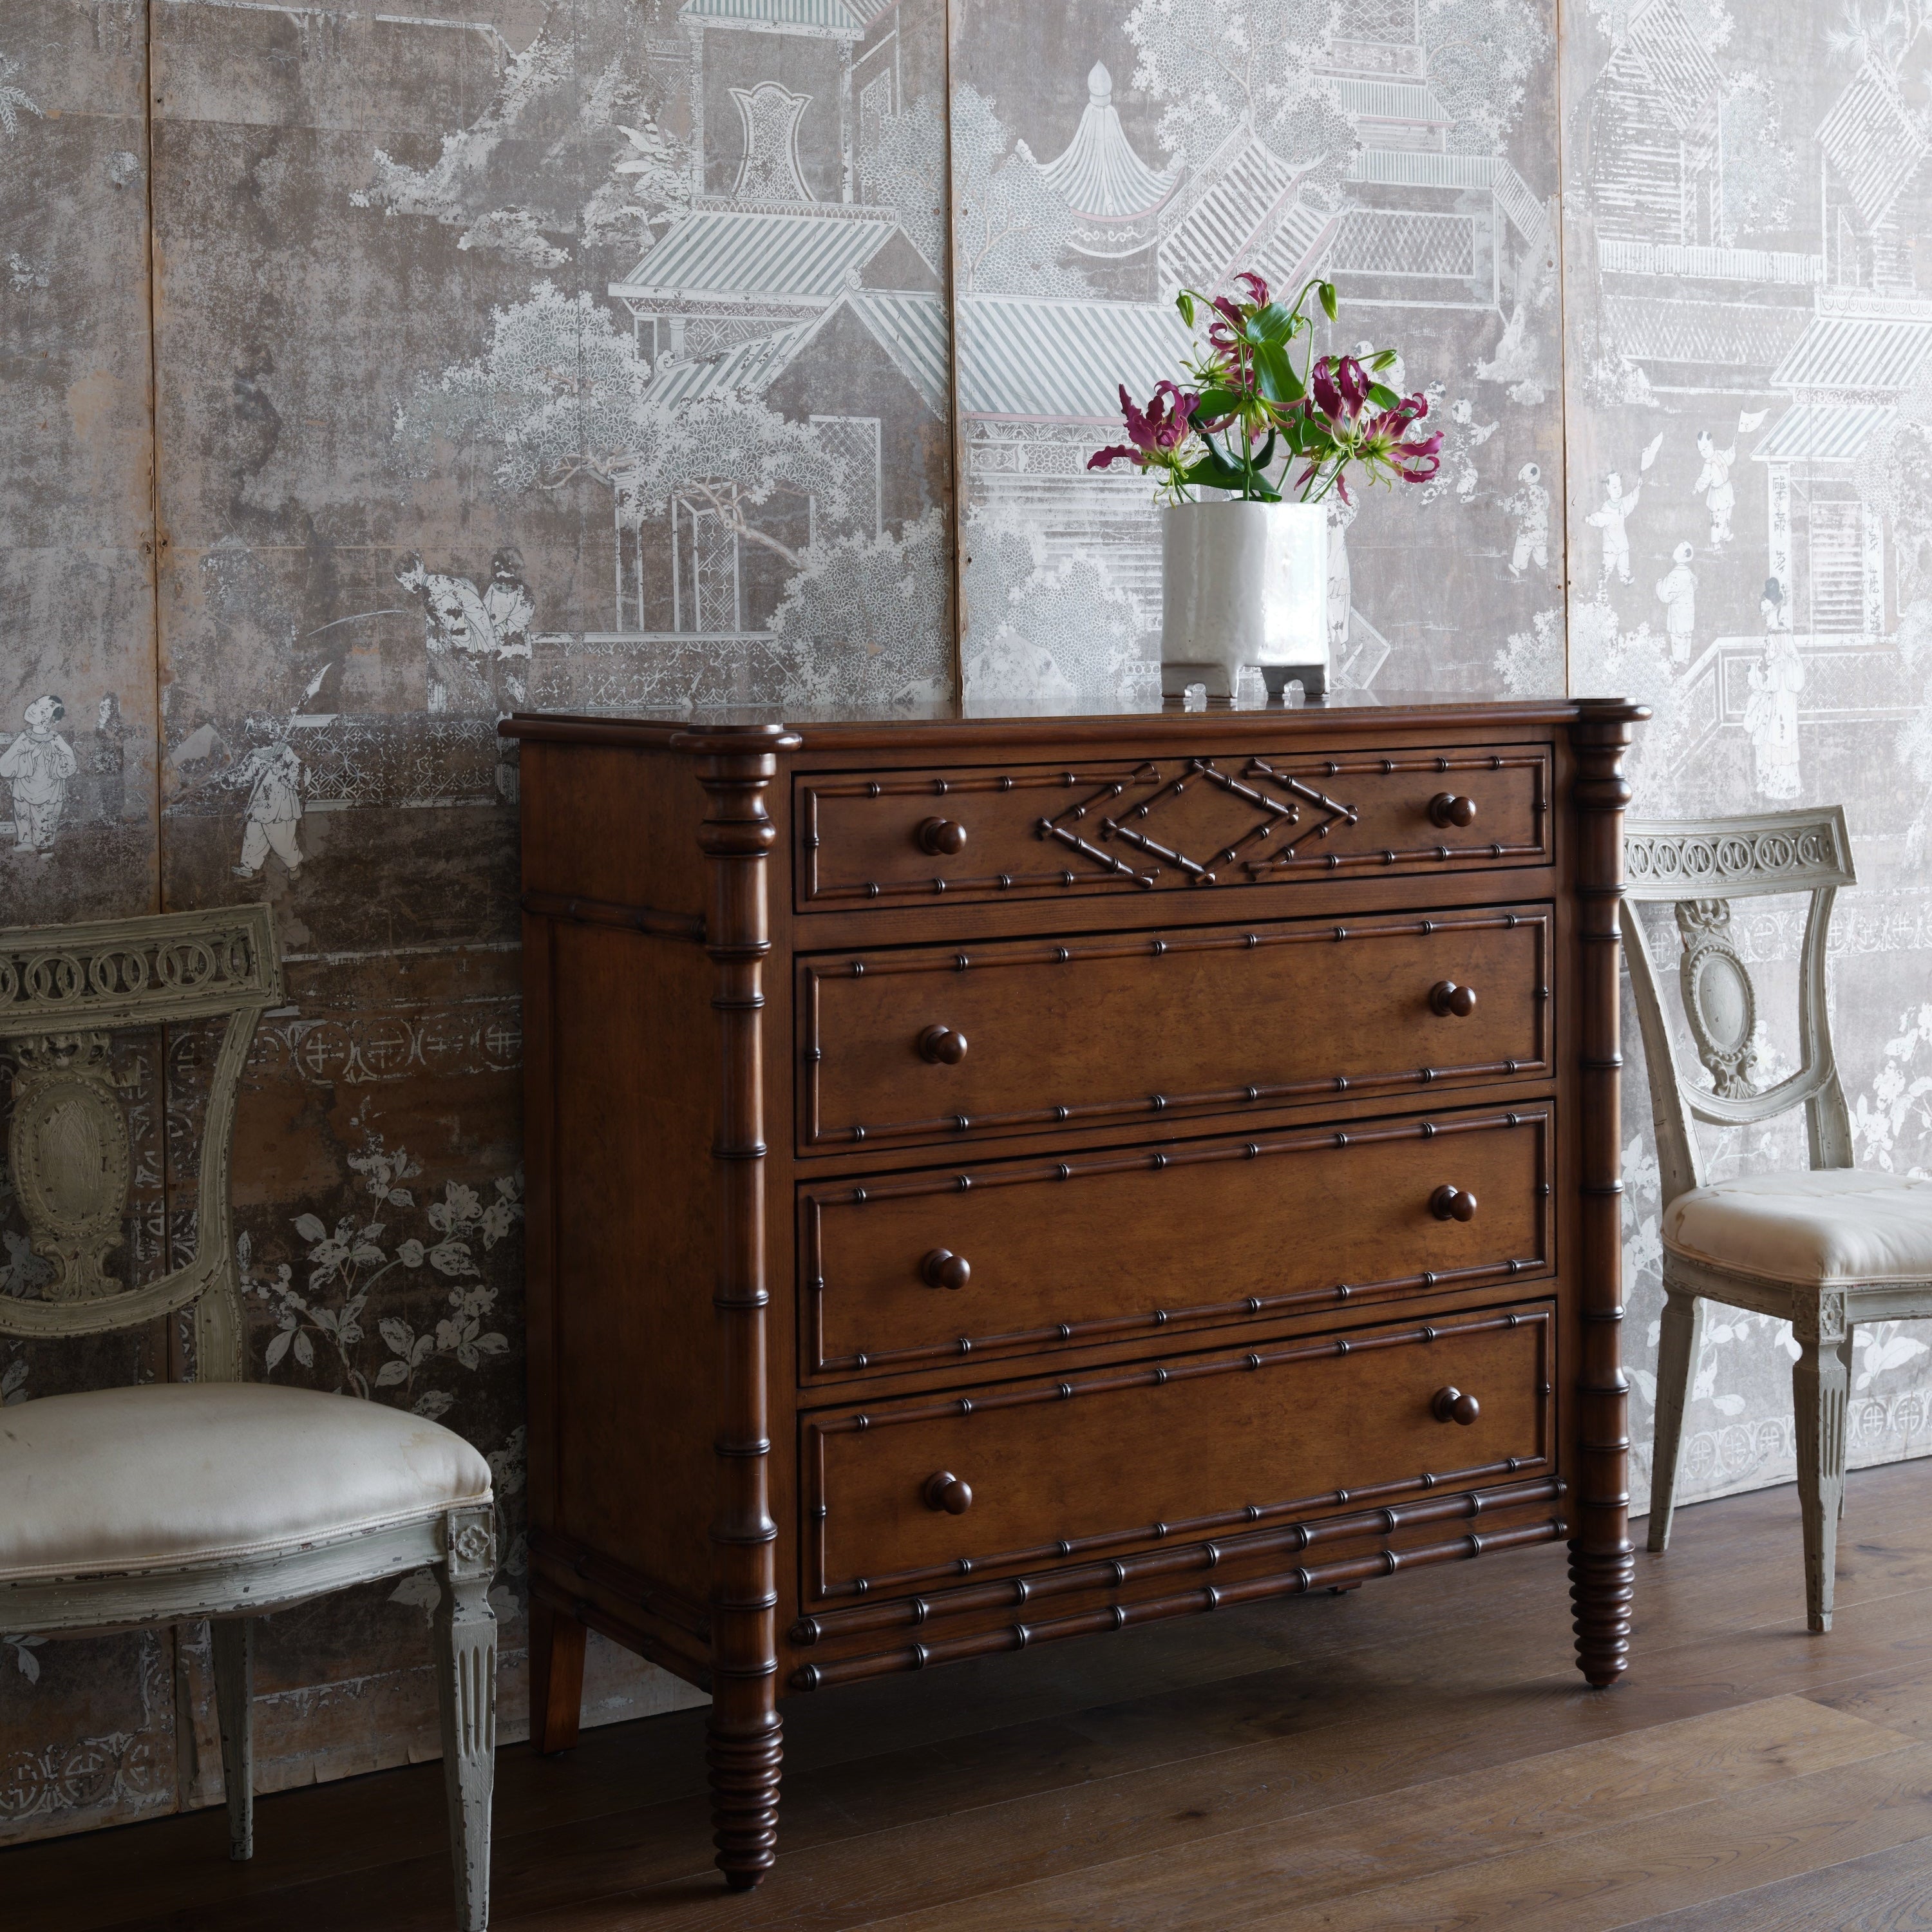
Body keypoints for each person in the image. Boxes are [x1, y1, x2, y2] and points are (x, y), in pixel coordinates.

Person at [0, 694, 78, 857]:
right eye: (35, 704)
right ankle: (25, 842)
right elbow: (5, 765)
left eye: (43, 712)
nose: (34, 710)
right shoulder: (25, 737)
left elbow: (70, 764)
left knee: (45, 817)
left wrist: (52, 760)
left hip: (48, 790)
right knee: (22, 813)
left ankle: (45, 847)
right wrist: (30, 757)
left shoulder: (55, 740)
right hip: (24, 788)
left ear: (53, 721)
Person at [231, 739, 305, 879]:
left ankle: (293, 866)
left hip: (280, 803)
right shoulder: (254, 753)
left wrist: (284, 772)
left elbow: (300, 772)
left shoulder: (284, 750)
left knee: (281, 841)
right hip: (260, 801)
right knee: (253, 834)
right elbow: (244, 774)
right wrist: (229, 779)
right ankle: (248, 867)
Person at [1745, 631, 1804, 801]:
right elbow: (1762, 684)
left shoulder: (1785, 664)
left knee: (1781, 748)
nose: (1767, 647)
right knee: (1765, 755)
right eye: (1766, 644)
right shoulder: (1767, 664)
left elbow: (1791, 682)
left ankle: (1783, 784)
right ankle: (1768, 782)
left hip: (1782, 715)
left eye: (1769, 644)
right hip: (1768, 723)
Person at [1587, 471, 1642, 592]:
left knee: (1624, 562)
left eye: (1620, 486)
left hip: (1622, 540)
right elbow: (1600, 518)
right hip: (1611, 544)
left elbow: (1630, 501)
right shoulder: (1607, 507)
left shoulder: (1622, 503)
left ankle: (1625, 579)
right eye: (1614, 487)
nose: (1618, 490)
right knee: (1608, 564)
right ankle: (1601, 582)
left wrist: (1637, 488)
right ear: (1609, 489)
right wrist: (1590, 518)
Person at [1505, 461, 1550, 578]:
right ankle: (1543, 565)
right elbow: (1546, 504)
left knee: (1522, 549)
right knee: (1540, 549)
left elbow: (1518, 509)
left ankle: (1517, 568)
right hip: (1542, 527)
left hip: (1528, 529)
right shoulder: (1543, 491)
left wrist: (1507, 505)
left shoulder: (1525, 492)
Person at [1655, 541, 1698, 663]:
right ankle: (1686, 659)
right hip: (1689, 610)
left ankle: (1678, 661)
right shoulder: (1690, 573)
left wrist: (1659, 583)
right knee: (1687, 635)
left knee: (1677, 637)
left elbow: (1665, 596)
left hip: (1678, 612)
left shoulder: (1675, 574)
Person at [1696, 430, 1736, 546]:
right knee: (1717, 519)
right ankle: (1716, 542)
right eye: (1702, 450)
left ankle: (1725, 535)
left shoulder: (1719, 454)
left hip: (1727, 489)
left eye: (1706, 448)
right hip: (1717, 494)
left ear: (1712, 443)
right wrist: (1697, 487)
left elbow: (1728, 458)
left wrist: (1732, 449)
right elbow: (1704, 478)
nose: (1705, 452)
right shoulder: (1708, 464)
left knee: (1727, 515)